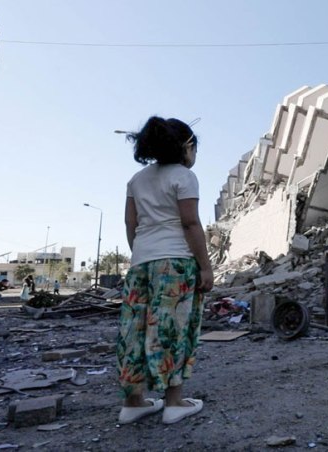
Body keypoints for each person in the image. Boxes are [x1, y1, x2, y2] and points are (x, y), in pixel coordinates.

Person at [116, 116, 213, 425]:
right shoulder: (184, 177)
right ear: (187, 147)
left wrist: (142, 253)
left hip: (141, 262)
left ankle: (133, 403)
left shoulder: (137, 180)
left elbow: (130, 223)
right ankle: (174, 402)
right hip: (176, 262)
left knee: (134, 330)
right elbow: (190, 223)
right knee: (173, 329)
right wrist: (206, 267)